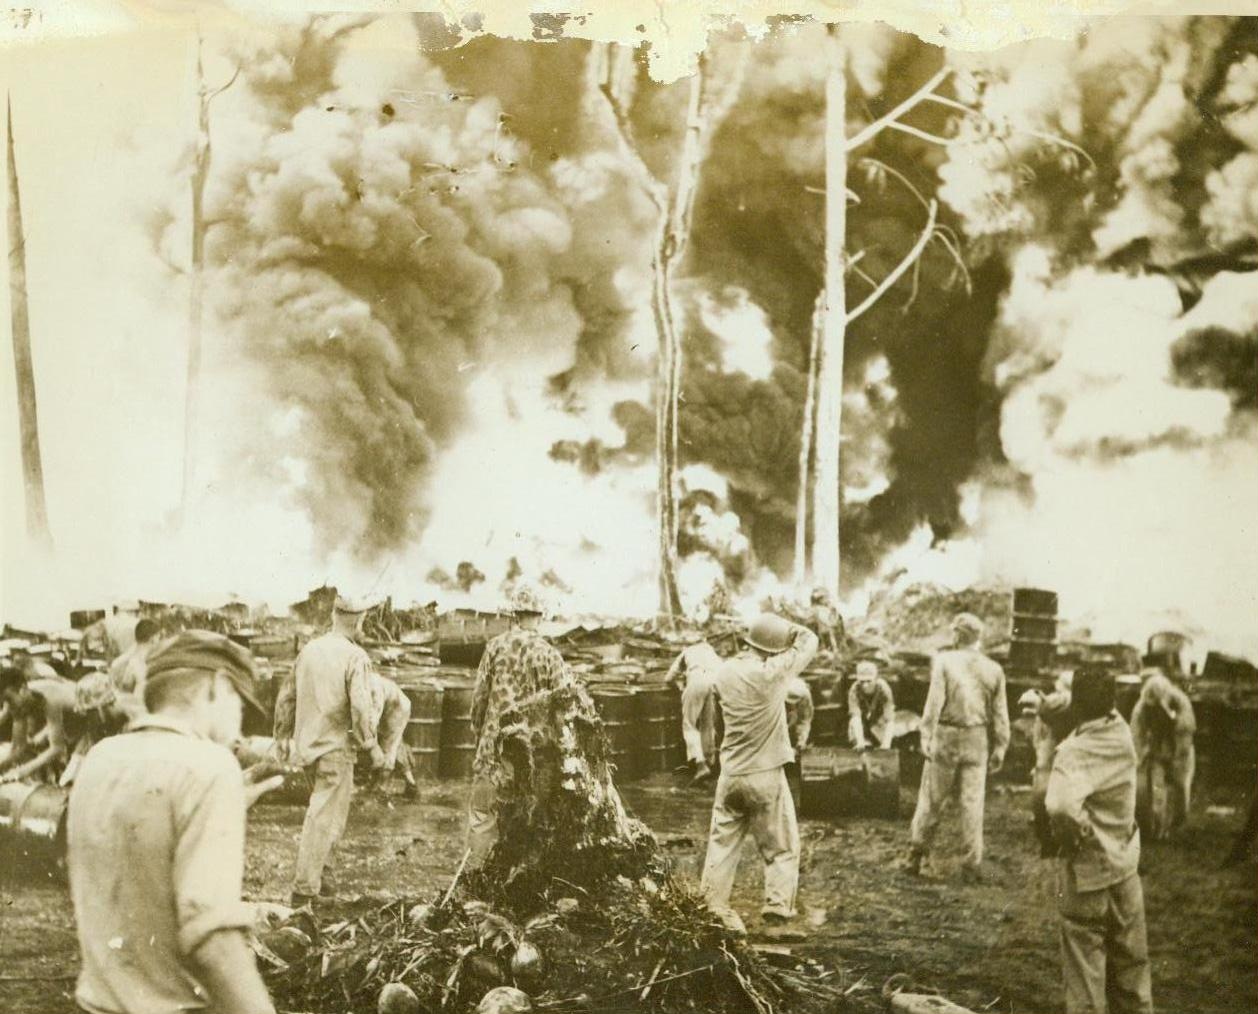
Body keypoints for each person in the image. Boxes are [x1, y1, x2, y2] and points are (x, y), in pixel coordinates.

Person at [66, 630, 283, 1014]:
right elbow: (212, 941)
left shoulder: (100, 759)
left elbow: (137, 859)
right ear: (217, 686)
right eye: (240, 705)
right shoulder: (211, 767)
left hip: (96, 1003)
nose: (240, 724)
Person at [698, 612, 818, 936]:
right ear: (773, 649)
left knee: (721, 846)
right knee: (781, 846)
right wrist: (790, 627)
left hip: (731, 773)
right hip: (766, 774)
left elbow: (715, 725)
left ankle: (712, 909)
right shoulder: (773, 673)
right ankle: (777, 914)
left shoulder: (722, 673)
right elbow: (810, 641)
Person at [1045, 666, 1153, 1014]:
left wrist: (1080, 834)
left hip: (1086, 874)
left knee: (1085, 977)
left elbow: (1059, 806)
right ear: (1112, 702)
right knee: (1132, 971)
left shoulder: (1074, 751)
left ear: (1076, 704)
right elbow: (1083, 706)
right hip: (1124, 869)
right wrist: (1051, 702)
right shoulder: (1121, 732)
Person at [277, 596, 384, 906]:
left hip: (308, 748)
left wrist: (282, 735)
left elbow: (287, 696)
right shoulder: (355, 657)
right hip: (335, 749)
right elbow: (361, 708)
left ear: (335, 613)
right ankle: (304, 891)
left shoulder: (309, 651)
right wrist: (372, 746)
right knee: (325, 818)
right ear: (358, 620)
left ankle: (322, 879)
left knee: (329, 815)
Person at [468, 584, 569, 867]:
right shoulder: (549, 655)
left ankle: (478, 881)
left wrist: (481, 737)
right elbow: (566, 706)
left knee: (482, 817)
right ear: (539, 615)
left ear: (514, 614)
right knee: (530, 820)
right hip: (532, 758)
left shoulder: (495, 647)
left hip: (494, 751)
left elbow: (479, 700)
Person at [907, 612, 1010, 881]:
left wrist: (926, 734)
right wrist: (1000, 745)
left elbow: (934, 702)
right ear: (978, 638)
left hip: (947, 734)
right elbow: (1000, 713)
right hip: (978, 739)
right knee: (973, 803)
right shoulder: (994, 669)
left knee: (931, 798)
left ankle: (917, 855)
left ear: (957, 635)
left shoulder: (944, 662)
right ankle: (971, 865)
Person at [1129, 667, 1195, 840]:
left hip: (1179, 751)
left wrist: (1177, 754)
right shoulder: (1141, 707)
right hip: (1156, 750)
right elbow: (1137, 733)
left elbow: (1187, 729)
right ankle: (1157, 827)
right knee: (1157, 789)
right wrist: (1141, 755)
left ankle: (1177, 824)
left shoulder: (1180, 701)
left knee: (1180, 787)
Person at [1021, 671, 1076, 857]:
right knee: (1044, 795)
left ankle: (1052, 842)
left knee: (1046, 795)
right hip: (1053, 747)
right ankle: (1051, 843)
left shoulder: (1062, 702)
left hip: (1060, 748)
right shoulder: (1063, 702)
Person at [667, 639, 723, 782]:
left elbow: (668, 678)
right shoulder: (712, 653)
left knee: (689, 725)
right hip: (715, 683)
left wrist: (679, 685)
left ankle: (701, 765)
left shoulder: (688, 651)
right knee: (708, 724)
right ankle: (711, 761)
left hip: (697, 680)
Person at [367, 671, 418, 799]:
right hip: (390, 706)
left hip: (397, 708)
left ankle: (383, 790)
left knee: (388, 747)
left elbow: (373, 719)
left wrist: (371, 742)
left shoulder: (373, 685)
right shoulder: (362, 681)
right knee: (397, 745)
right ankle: (411, 784)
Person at [847, 660, 895, 750]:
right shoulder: (854, 690)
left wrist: (886, 743)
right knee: (853, 728)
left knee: (885, 743)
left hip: (879, 722)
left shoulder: (884, 689)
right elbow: (855, 717)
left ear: (876, 679)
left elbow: (890, 719)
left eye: (869, 681)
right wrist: (860, 741)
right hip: (862, 722)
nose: (865, 685)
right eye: (862, 681)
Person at [107, 619, 161, 697]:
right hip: (142, 701)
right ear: (153, 639)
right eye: (158, 637)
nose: (159, 641)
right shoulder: (150, 658)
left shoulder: (125, 659)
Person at [807, 587, 845, 655]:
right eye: (825, 598)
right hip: (823, 634)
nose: (827, 600)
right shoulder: (819, 610)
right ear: (820, 599)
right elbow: (829, 622)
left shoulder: (818, 609)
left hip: (823, 634)